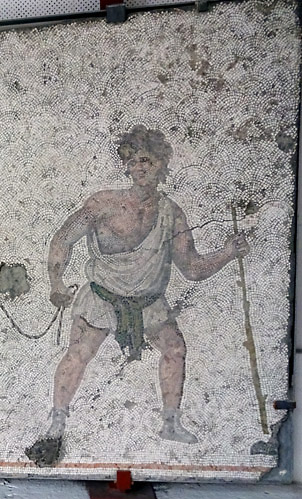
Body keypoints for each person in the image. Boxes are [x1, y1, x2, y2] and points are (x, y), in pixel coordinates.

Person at [43, 125, 249, 450]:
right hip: (102, 297)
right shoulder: (103, 203)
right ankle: (57, 423)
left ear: (161, 165)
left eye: (147, 161)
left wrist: (227, 253)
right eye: (134, 161)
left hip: (147, 302)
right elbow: (62, 239)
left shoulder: (171, 214)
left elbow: (192, 268)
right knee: (79, 354)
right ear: (126, 166)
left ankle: (171, 424)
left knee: (175, 349)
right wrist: (56, 282)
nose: (140, 168)